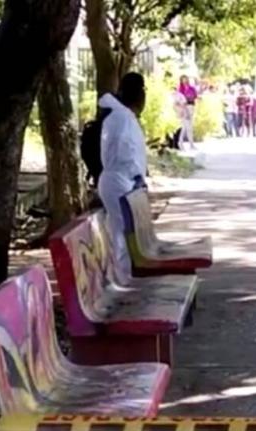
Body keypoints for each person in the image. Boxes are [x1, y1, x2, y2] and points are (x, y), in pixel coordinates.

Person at [98, 72, 148, 280]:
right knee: (122, 237)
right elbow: (125, 152)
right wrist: (137, 178)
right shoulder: (122, 118)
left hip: (121, 181)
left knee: (122, 234)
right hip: (119, 183)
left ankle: (123, 277)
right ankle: (124, 280)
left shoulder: (123, 116)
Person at [177, 75, 198, 149]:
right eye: (183, 80)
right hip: (184, 108)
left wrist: (191, 97)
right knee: (185, 126)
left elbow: (195, 96)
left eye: (186, 79)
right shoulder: (180, 90)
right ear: (181, 81)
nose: (185, 81)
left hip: (191, 106)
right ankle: (181, 142)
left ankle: (190, 144)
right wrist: (182, 109)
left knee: (189, 126)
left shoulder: (191, 88)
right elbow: (179, 100)